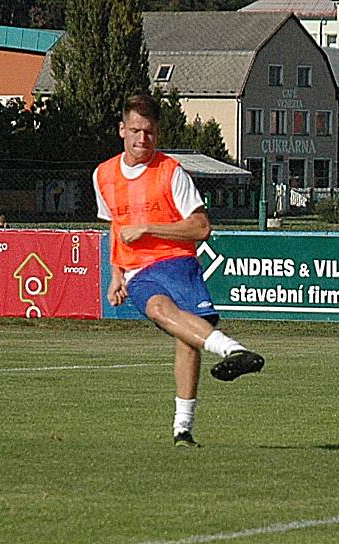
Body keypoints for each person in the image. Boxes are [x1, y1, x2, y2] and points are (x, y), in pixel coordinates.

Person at [93, 94, 264, 448]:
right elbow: (115, 225)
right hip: (139, 272)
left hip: (178, 262)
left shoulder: (171, 172)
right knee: (158, 309)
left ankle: (183, 429)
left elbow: (201, 228)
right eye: (136, 131)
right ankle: (233, 350)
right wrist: (115, 273)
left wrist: (150, 228)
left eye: (151, 132)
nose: (143, 139)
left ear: (158, 133)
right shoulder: (103, 174)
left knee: (188, 342)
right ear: (122, 130)